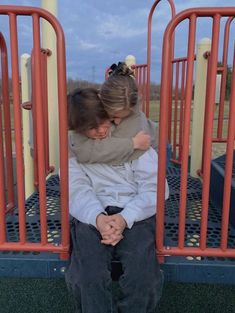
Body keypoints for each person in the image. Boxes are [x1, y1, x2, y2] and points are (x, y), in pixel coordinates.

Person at [65, 87, 169, 313]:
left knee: (143, 277)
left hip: (134, 209)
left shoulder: (135, 139)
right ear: (78, 129)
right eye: (91, 129)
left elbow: (155, 187)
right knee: (86, 276)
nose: (101, 131)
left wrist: (125, 217)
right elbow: (76, 189)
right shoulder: (76, 149)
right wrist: (98, 218)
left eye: (104, 122)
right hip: (93, 213)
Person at [68, 62, 158, 165]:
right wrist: (132, 143)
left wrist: (126, 146)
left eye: (124, 117)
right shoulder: (90, 107)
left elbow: (119, 159)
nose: (118, 121)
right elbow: (84, 151)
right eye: (113, 115)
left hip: (155, 150)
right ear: (100, 100)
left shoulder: (132, 111)